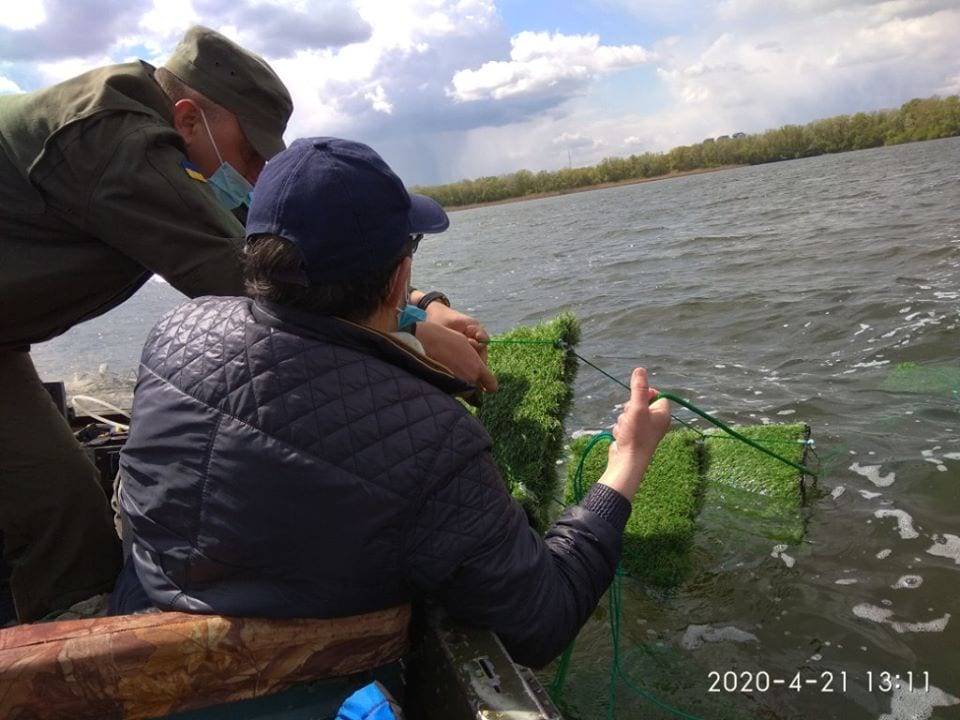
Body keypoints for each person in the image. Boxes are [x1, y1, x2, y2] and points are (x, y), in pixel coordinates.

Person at [116, 137, 672, 669]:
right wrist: (627, 463)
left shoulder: (177, 330)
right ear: (399, 274)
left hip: (135, 650)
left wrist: (418, 316)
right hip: (302, 696)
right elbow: (540, 620)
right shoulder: (435, 440)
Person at [0, 25, 293, 623]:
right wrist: (402, 331)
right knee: (63, 511)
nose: (259, 177)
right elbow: (246, 280)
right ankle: (74, 666)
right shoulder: (114, 141)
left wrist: (419, 301)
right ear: (188, 118)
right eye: (253, 156)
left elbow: (272, 241)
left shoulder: (184, 152)